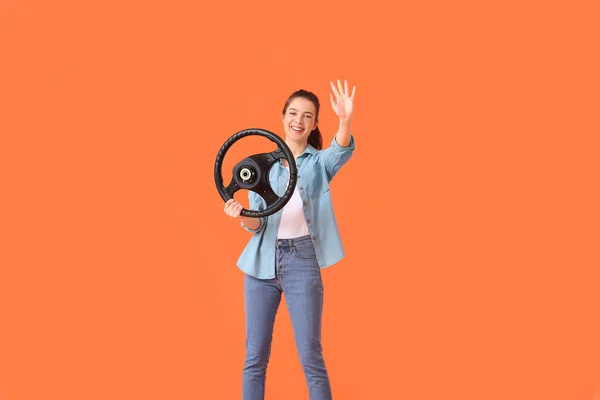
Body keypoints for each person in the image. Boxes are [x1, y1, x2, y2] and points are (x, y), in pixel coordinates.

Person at [223, 79, 356, 400]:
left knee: (311, 357)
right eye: (294, 113)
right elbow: (257, 225)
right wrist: (240, 213)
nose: (299, 120)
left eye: (308, 116)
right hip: (259, 264)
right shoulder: (263, 165)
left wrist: (345, 120)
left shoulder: (319, 163)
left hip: (303, 261)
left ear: (313, 125)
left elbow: (340, 149)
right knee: (254, 359)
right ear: (283, 118)